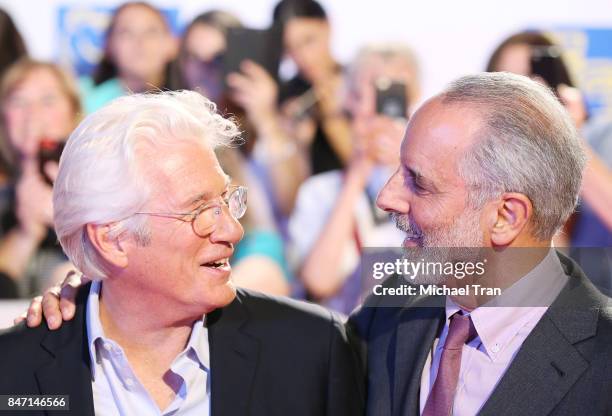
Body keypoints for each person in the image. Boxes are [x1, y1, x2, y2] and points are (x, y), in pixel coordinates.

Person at [0, 90, 363, 415]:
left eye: (225, 201)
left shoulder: (313, 351)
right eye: (199, 211)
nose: (232, 229)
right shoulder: (12, 371)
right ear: (111, 240)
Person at [348, 72, 612, 415]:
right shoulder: (387, 312)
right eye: (398, 170)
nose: (387, 198)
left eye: (419, 182)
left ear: (506, 217)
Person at [168, 10, 293, 295]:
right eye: (192, 57)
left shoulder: (272, 122)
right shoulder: (171, 129)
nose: (203, 70)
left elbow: (289, 203)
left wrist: (266, 118)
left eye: (217, 59)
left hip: (263, 256)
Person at [289, 43, 419, 313]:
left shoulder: (428, 188)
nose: (377, 108)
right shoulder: (320, 191)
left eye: (392, 92)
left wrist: (408, 167)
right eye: (365, 93)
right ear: (349, 100)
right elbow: (318, 282)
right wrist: (356, 177)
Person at [0, 59, 80, 296]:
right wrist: (26, 233)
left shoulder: (108, 190)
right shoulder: (3, 200)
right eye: (18, 101)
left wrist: (71, 219)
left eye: (48, 100)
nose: (32, 113)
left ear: (73, 112)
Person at [79, 1, 176, 114]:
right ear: (108, 45)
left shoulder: (192, 103)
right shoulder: (81, 101)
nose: (140, 41)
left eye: (151, 32)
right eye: (126, 33)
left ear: (172, 44)